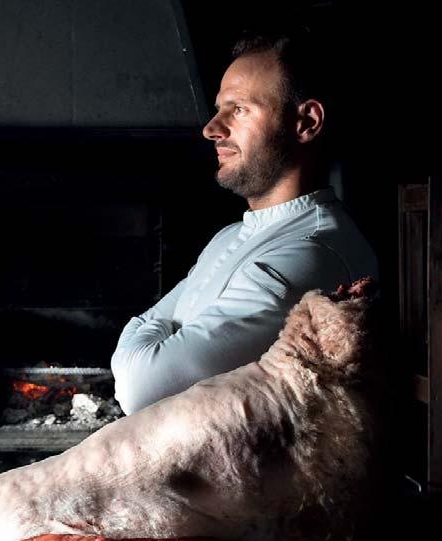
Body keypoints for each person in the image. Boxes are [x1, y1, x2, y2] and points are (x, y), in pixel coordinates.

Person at [111, 29, 379, 415]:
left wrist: (156, 330)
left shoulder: (310, 252)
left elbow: (141, 386)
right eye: (219, 109)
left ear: (306, 122)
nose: (211, 129)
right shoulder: (231, 236)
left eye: (238, 109)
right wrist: (156, 332)